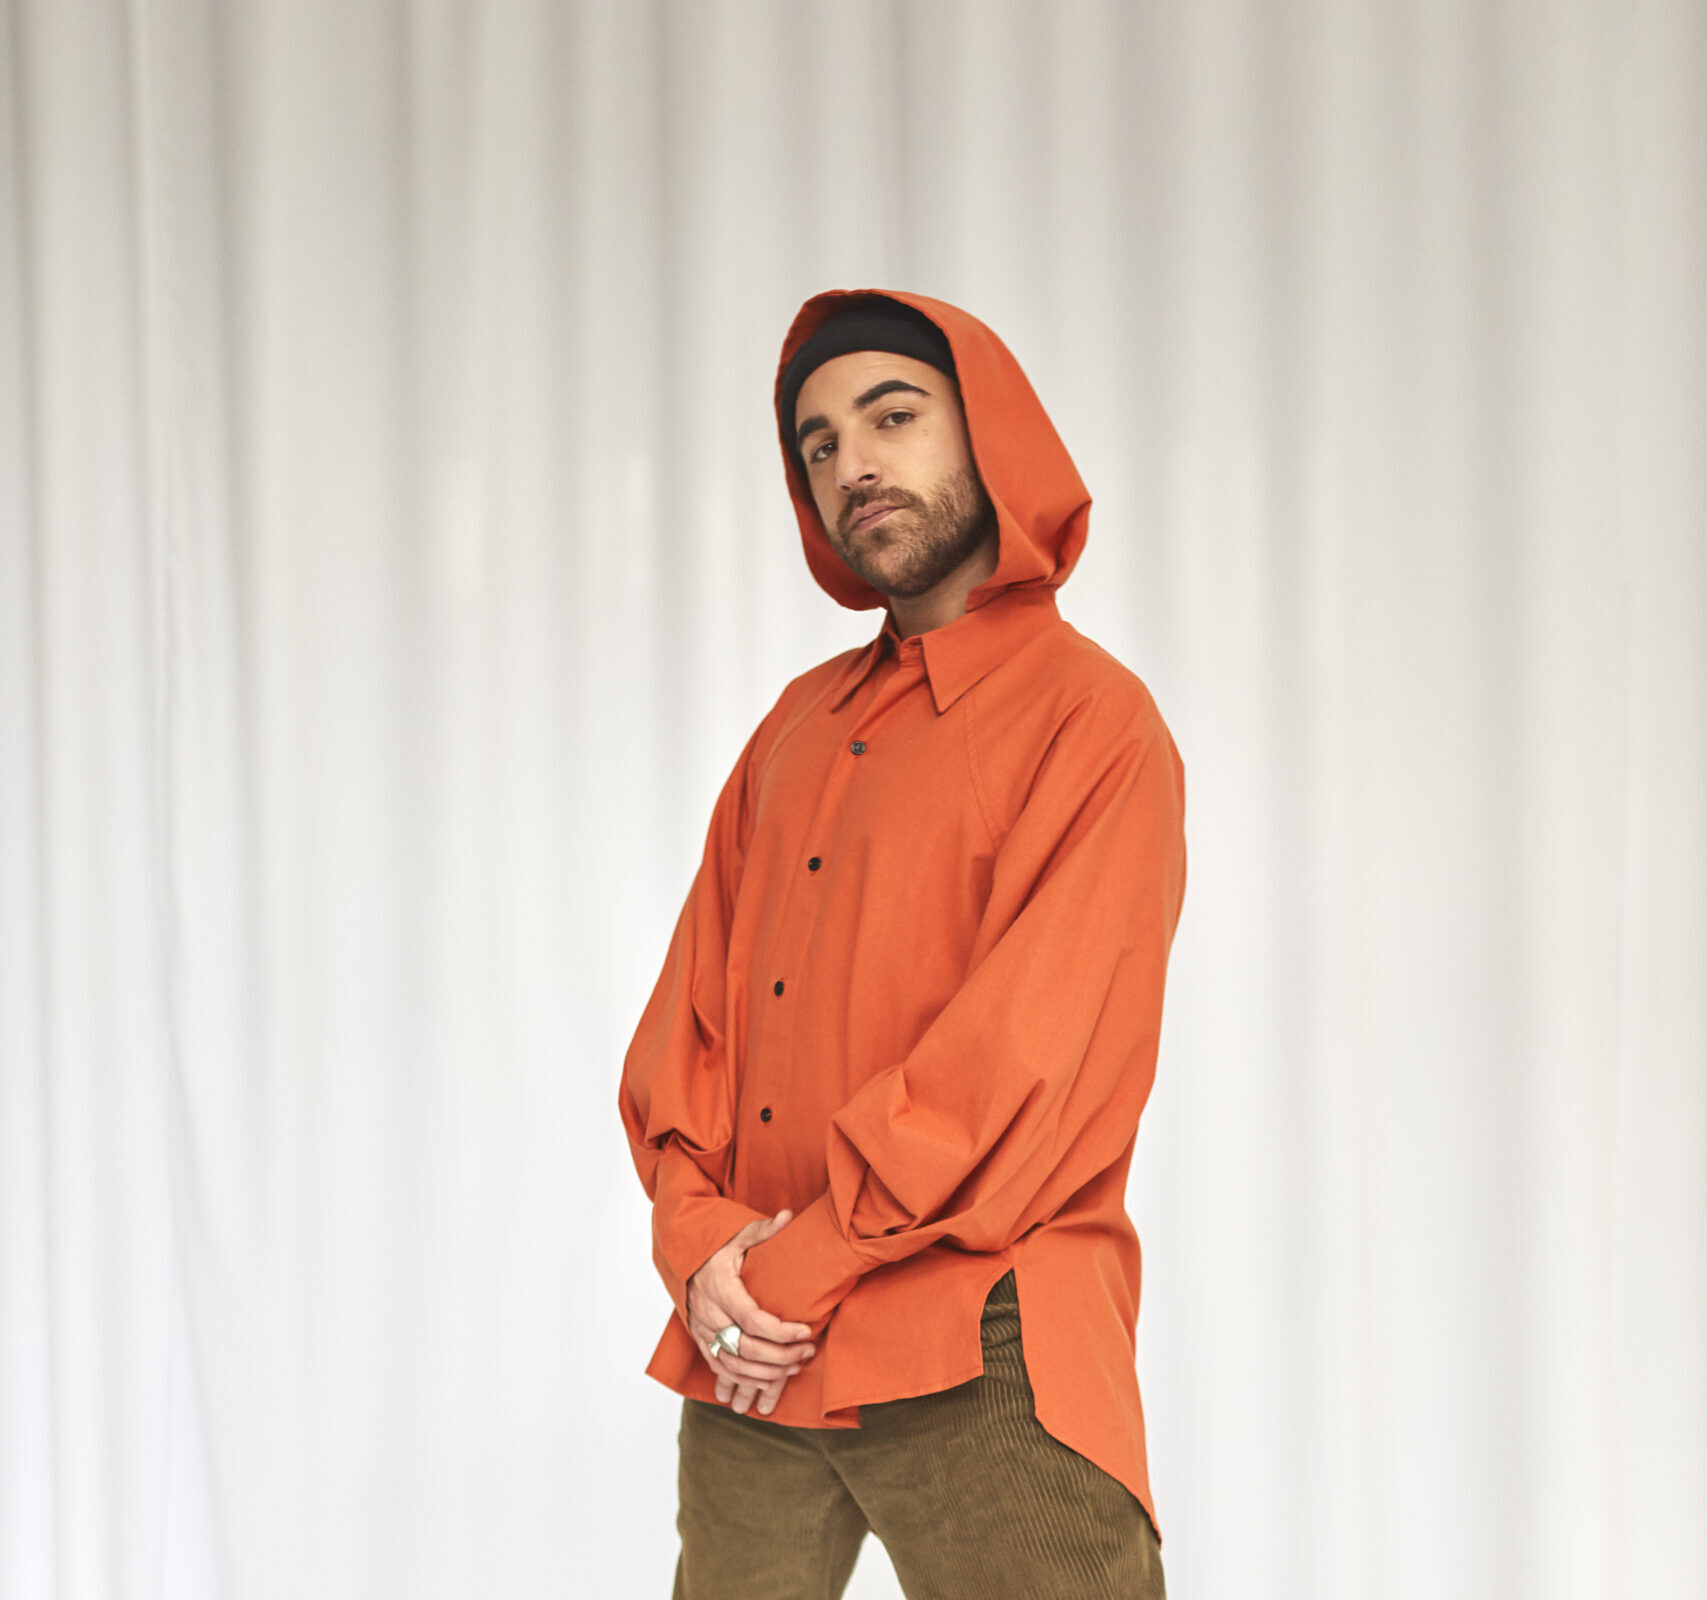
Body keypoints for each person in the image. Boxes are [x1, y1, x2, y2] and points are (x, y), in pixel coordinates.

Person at [618, 290, 1186, 1599]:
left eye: (892, 417)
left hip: (979, 1335)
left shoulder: (1092, 724)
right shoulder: (793, 728)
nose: (852, 465)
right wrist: (698, 1245)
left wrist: (787, 1269)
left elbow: (1020, 1064)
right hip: (754, 1352)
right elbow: (689, 1023)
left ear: (989, 432)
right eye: (817, 443)